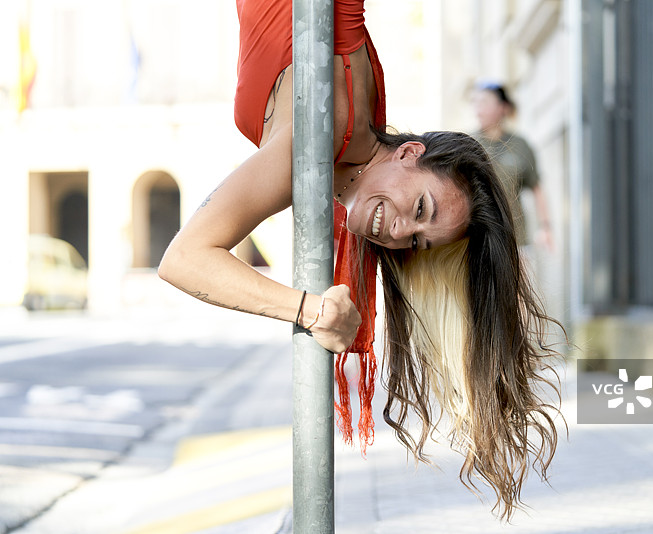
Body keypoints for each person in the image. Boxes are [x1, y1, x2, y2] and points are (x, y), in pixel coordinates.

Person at [158, 0, 562, 520]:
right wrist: (309, 310)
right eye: (420, 208)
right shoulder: (322, 136)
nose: (398, 231)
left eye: (416, 241)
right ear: (411, 153)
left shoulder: (342, 157)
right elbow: (185, 258)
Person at [472, 82, 554, 252]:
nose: (478, 108)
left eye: (485, 102)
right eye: (476, 102)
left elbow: (536, 188)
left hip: (515, 239)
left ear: (503, 107)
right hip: (477, 240)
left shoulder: (520, 145)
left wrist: (545, 228)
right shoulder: (468, 145)